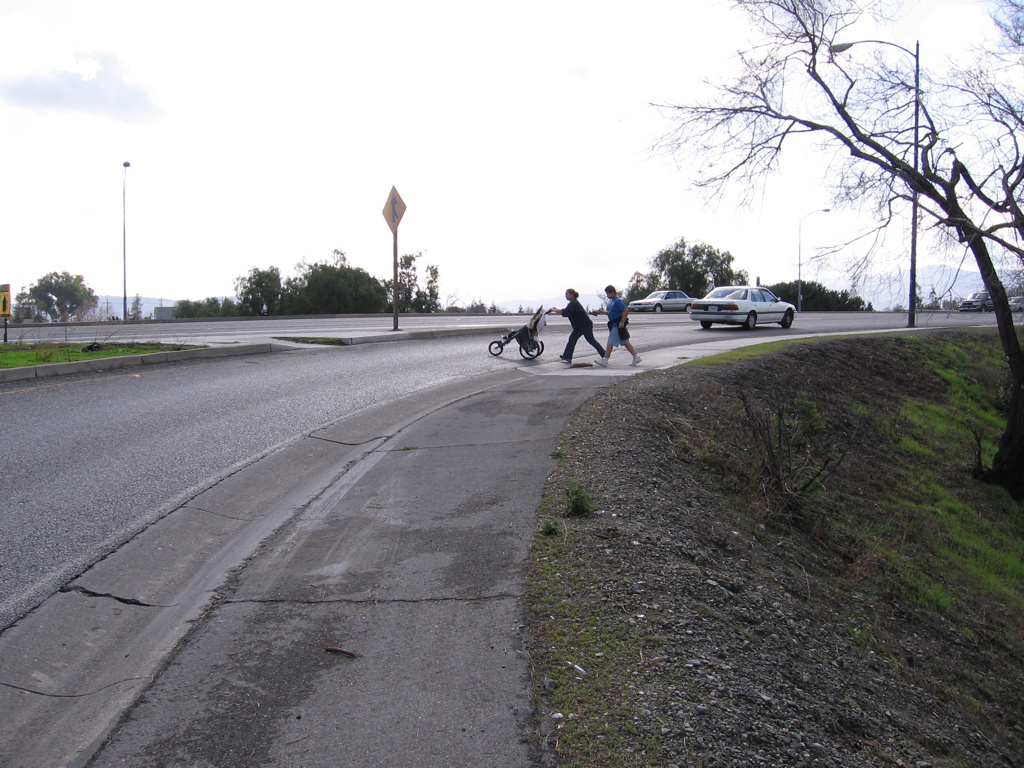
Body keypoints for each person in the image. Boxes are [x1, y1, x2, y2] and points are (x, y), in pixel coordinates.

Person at [547, 289, 606, 365]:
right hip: (579, 326)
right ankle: (567, 356)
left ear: (572, 294)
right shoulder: (572, 303)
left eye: (567, 294)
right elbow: (566, 311)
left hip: (585, 325)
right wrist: (555, 310)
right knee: (572, 339)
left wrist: (553, 310)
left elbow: (565, 312)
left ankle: (604, 354)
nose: (566, 296)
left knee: (591, 341)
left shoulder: (574, 303)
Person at [601, 285, 642, 366]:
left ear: (612, 292)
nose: (607, 296)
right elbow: (610, 313)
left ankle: (605, 359)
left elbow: (626, 310)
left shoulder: (617, 301)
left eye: (608, 294)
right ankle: (636, 357)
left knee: (610, 341)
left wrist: (622, 321)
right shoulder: (612, 302)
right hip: (614, 324)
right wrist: (601, 312)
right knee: (625, 341)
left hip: (616, 325)